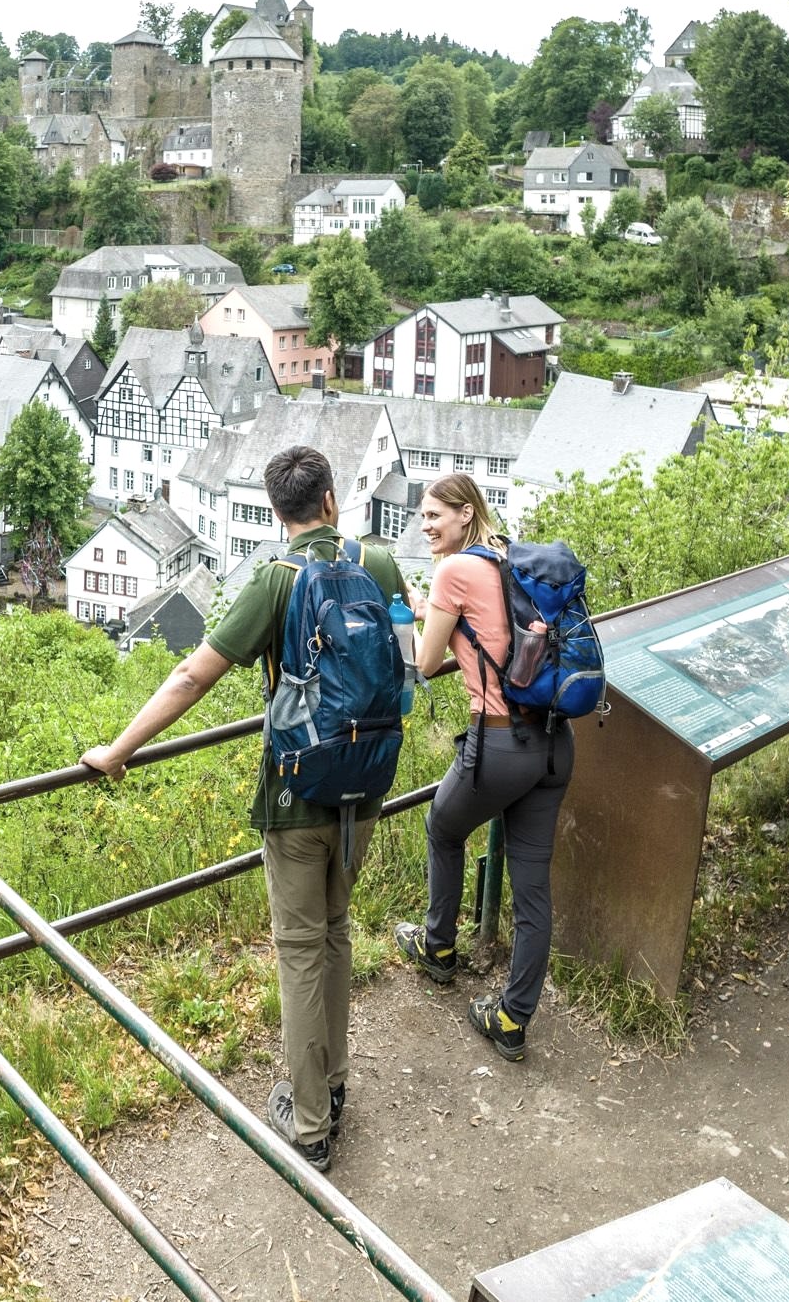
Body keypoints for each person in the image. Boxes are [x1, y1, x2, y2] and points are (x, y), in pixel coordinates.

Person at [82, 447, 405, 1171]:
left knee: (300, 949)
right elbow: (407, 663)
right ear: (331, 501)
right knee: (336, 931)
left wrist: (119, 749)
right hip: (367, 783)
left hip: (297, 791)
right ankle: (335, 1082)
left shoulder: (275, 579)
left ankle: (311, 1123)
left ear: (277, 511)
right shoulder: (381, 564)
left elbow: (192, 676)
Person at [393, 473, 570, 1064]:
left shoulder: (453, 571)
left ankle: (439, 947)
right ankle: (513, 1019)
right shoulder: (511, 559)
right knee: (533, 889)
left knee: (443, 828)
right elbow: (490, 626)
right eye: (422, 516)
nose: (425, 525)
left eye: (434, 515)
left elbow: (425, 662)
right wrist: (436, 610)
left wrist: (418, 615)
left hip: (499, 742)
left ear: (465, 513)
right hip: (554, 741)